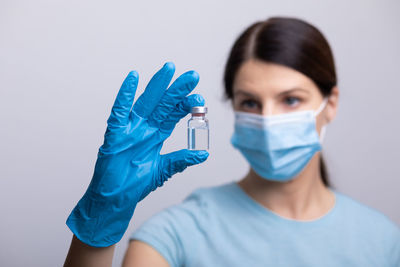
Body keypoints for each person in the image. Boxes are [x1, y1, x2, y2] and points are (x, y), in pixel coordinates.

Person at [64, 17, 400, 267]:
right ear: (234, 107)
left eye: (291, 100)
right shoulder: (174, 237)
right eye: (250, 102)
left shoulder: (384, 242)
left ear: (332, 103)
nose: (268, 120)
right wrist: (97, 228)